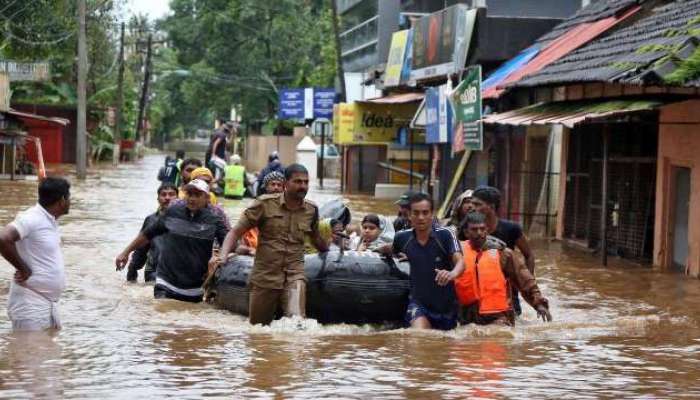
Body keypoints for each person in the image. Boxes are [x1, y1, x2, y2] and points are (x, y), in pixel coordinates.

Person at [217, 164, 329, 325]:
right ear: (285, 183)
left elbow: (316, 238)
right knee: (259, 329)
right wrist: (223, 255)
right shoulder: (264, 204)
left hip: (294, 274)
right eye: (297, 181)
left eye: (305, 182)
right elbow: (235, 232)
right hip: (265, 276)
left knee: (296, 324)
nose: (302, 186)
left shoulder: (311, 210)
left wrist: (332, 252)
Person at [116, 179, 229, 303]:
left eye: (197, 195)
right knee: (162, 315)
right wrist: (125, 253)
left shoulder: (214, 220)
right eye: (189, 194)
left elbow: (230, 242)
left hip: (195, 289)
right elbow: (147, 235)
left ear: (207, 198)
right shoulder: (173, 213)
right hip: (165, 282)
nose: (192, 198)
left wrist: (218, 257)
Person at [378, 192, 464, 331]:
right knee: (420, 338)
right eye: (416, 213)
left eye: (425, 213)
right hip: (418, 305)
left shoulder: (446, 234)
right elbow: (391, 250)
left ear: (432, 214)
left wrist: (452, 274)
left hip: (447, 307)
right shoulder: (402, 237)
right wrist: (370, 249)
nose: (421, 217)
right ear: (409, 214)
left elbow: (460, 261)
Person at [455, 212, 551, 326]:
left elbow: (524, 279)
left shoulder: (503, 254)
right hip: (465, 317)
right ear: (466, 232)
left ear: (487, 230)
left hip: (498, 317)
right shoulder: (456, 253)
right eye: (474, 230)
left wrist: (538, 303)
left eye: (482, 229)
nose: (479, 233)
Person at [0, 177, 71, 331]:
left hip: (47, 303)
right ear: (62, 200)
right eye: (69, 197)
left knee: (47, 353)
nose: (70, 201)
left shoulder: (49, 220)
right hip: (30, 303)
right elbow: (3, 239)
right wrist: (23, 268)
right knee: (29, 353)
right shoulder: (32, 218)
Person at [471, 186, 536, 316]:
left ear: (491, 206)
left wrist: (526, 284)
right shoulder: (468, 229)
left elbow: (529, 255)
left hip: (508, 291)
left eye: (477, 204)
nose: (472, 207)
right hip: (479, 290)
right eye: (472, 203)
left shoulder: (511, 229)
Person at [125, 183, 178, 283]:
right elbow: (141, 247)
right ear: (158, 199)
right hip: (154, 272)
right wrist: (132, 269)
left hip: (177, 272)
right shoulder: (151, 220)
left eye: (171, 194)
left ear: (178, 198)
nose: (167, 198)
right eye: (164, 194)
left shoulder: (185, 220)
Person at [234, 171, 286, 256]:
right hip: (254, 250)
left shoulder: (288, 210)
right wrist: (249, 249)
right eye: (272, 184)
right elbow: (238, 236)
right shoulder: (254, 208)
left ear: (283, 188)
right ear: (266, 187)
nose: (276, 187)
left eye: (279, 185)